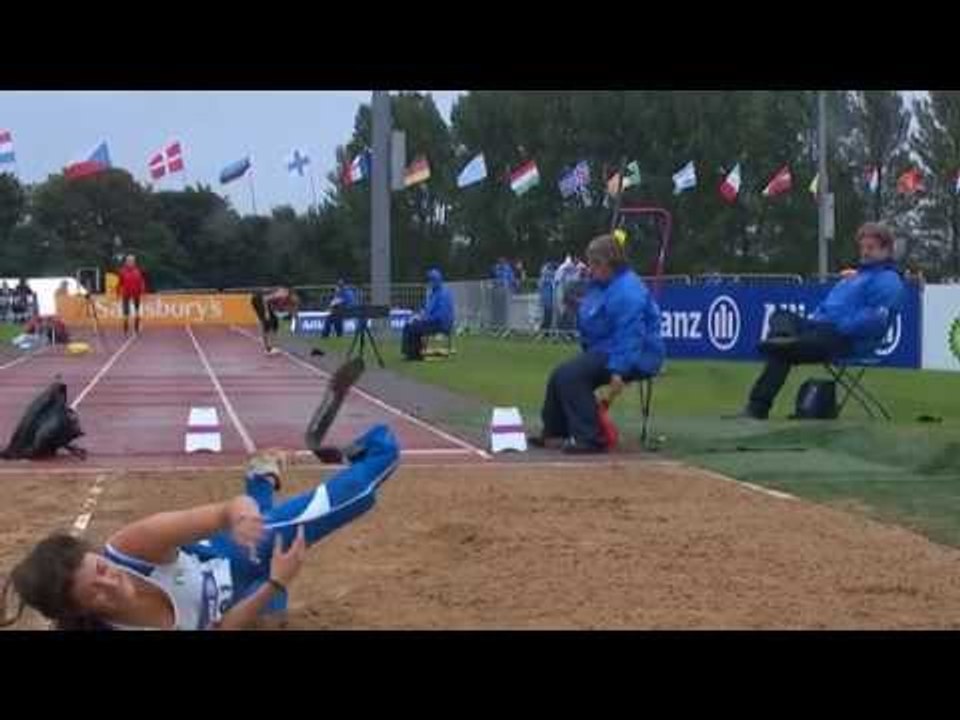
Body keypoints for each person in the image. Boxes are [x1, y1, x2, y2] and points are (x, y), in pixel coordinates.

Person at [1, 418, 400, 631]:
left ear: (97, 554)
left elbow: (225, 512)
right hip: (248, 596)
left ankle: (378, 446)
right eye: (96, 595)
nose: (112, 583)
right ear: (79, 611)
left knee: (333, 505)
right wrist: (276, 583)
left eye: (101, 570)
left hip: (233, 554)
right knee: (272, 622)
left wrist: (241, 516)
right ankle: (261, 476)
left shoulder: (131, 549)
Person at [733, 222, 905, 420]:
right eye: (863, 247)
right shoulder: (853, 277)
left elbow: (874, 320)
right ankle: (783, 341)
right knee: (782, 316)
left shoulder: (888, 280)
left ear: (886, 250)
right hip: (820, 329)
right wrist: (815, 321)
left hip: (845, 339)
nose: (865, 252)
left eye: (871, 248)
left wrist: (838, 327)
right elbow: (827, 306)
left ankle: (757, 407)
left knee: (781, 351)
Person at [531, 235, 665, 454]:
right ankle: (555, 433)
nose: (589, 269)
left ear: (606, 263)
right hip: (607, 349)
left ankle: (590, 437)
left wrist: (618, 371)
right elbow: (594, 317)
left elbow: (631, 335)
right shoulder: (601, 285)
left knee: (572, 376)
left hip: (638, 356)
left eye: (593, 264)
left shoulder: (628, 292)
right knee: (559, 374)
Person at [402, 269, 454, 361]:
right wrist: (419, 316)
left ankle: (414, 355)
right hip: (434, 321)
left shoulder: (443, 294)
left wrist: (423, 319)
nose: (429, 282)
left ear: (436, 280)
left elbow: (441, 315)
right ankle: (411, 353)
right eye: (429, 280)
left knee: (412, 327)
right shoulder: (434, 293)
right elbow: (427, 310)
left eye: (431, 280)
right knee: (409, 324)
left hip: (440, 324)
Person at [251, 286, 299, 355]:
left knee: (274, 324)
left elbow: (289, 308)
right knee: (268, 323)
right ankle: (268, 349)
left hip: (262, 300)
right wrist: (266, 312)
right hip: (258, 299)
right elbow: (265, 299)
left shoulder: (288, 299)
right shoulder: (282, 294)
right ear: (291, 294)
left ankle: (271, 345)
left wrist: (294, 315)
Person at [116, 255, 147, 337]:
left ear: (134, 262)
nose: (130, 262)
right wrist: (117, 292)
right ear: (126, 262)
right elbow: (120, 282)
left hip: (136, 294)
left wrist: (143, 291)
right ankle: (125, 330)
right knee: (126, 313)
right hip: (126, 294)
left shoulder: (138, 271)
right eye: (129, 261)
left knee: (137, 312)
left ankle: (136, 329)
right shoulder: (122, 271)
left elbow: (141, 282)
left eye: (132, 261)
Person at [538, 261, 557, 331]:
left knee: (549, 315)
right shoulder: (546, 277)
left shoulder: (548, 277)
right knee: (547, 315)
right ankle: (544, 329)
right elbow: (541, 286)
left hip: (550, 299)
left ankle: (546, 329)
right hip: (547, 299)